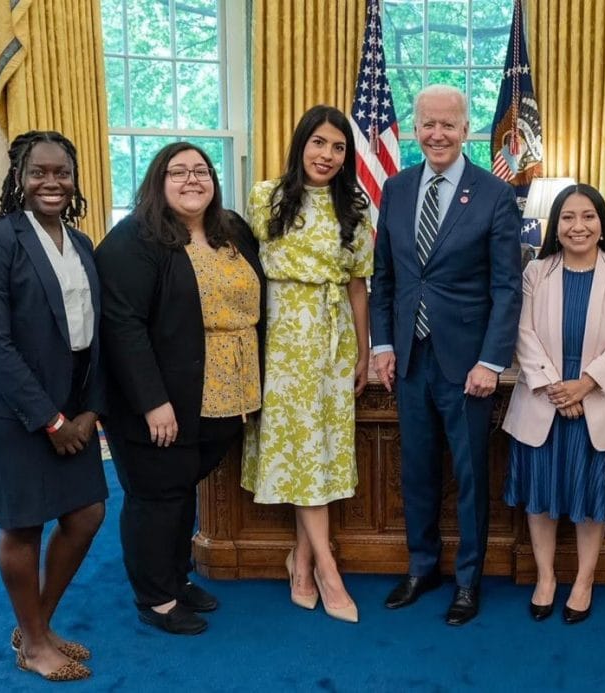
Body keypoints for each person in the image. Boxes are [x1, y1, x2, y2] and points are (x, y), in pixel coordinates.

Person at [95, 142, 265, 635]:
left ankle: (176, 576)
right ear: (157, 180)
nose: (192, 180)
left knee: (181, 487)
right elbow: (121, 325)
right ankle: (155, 597)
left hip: (225, 393)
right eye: (178, 172)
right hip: (161, 398)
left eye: (201, 171)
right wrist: (153, 403)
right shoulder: (136, 238)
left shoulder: (231, 229)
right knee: (156, 493)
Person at [370, 84, 523, 626]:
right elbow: (385, 276)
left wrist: (491, 360)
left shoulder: (494, 194)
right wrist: (382, 343)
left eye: (448, 124)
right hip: (410, 357)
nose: (437, 134)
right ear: (415, 129)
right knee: (416, 471)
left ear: (466, 129)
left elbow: (508, 287)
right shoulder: (396, 187)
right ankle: (422, 566)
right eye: (427, 124)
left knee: (469, 474)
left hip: (467, 366)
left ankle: (468, 580)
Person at [0, 131, 106, 681]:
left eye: (62, 173)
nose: (52, 182)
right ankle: (38, 644)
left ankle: (36, 626)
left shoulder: (83, 244)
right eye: (39, 172)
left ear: (74, 179)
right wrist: (49, 419)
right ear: (18, 178)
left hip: (71, 407)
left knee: (88, 512)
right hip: (7, 409)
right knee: (23, 528)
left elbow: (95, 335)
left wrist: (91, 408)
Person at [241, 105, 373, 624]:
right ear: (302, 144)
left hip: (333, 336)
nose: (327, 154)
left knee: (317, 450)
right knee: (298, 446)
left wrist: (363, 351)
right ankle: (326, 568)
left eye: (338, 147)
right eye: (319, 142)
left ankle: (302, 561)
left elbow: (359, 286)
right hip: (281, 338)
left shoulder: (355, 210)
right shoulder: (264, 197)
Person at [502, 184, 605, 624]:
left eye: (588, 216)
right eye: (567, 217)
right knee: (540, 497)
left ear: (602, 224)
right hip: (543, 401)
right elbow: (521, 334)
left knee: (591, 499)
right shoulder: (535, 272)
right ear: (555, 225)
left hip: (596, 404)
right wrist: (554, 388)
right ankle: (545, 577)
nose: (577, 225)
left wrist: (584, 386)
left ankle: (583, 580)